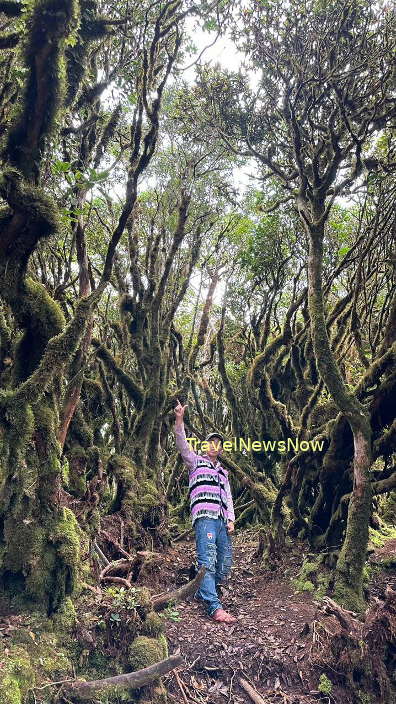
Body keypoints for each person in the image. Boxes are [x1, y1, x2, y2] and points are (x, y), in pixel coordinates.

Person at [174, 399, 237, 623]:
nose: (214, 446)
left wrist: (231, 519)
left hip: (221, 520)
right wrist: (179, 419)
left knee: (225, 562)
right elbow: (182, 444)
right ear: (205, 446)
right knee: (208, 559)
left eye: (218, 443)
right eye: (211, 442)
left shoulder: (223, 473)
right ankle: (213, 606)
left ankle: (201, 586)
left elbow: (228, 496)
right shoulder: (195, 463)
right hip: (205, 518)